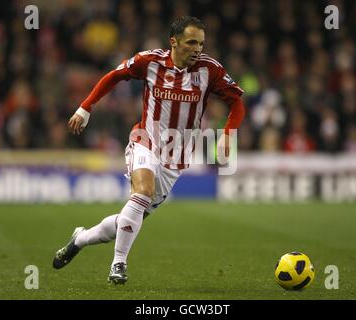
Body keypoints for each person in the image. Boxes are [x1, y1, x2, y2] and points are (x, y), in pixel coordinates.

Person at [52, 16, 245, 284]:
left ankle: (80, 239)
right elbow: (114, 76)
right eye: (191, 42)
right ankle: (118, 264)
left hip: (175, 158)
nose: (198, 49)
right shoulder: (150, 61)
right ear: (174, 42)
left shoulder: (209, 70)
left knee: (127, 219)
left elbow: (237, 103)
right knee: (142, 192)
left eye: (201, 43)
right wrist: (85, 107)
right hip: (145, 140)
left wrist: (227, 134)